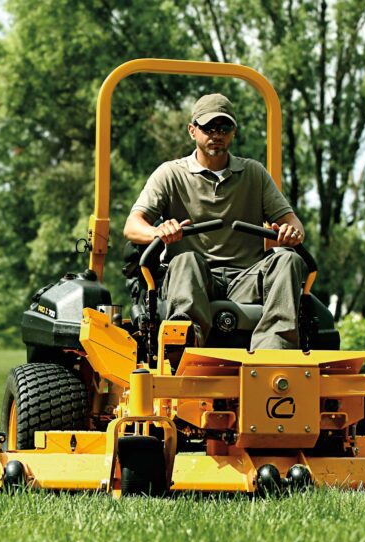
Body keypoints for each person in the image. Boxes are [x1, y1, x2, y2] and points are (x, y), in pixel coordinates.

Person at [123, 93, 308, 351]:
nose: (216, 134)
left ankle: (273, 354)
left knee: (289, 259)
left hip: (246, 280)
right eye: (208, 127)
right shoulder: (171, 174)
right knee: (186, 259)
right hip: (195, 281)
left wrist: (291, 232)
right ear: (192, 130)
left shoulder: (253, 173)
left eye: (224, 128)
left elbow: (293, 224)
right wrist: (158, 231)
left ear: (233, 132)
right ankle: (186, 347)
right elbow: (132, 226)